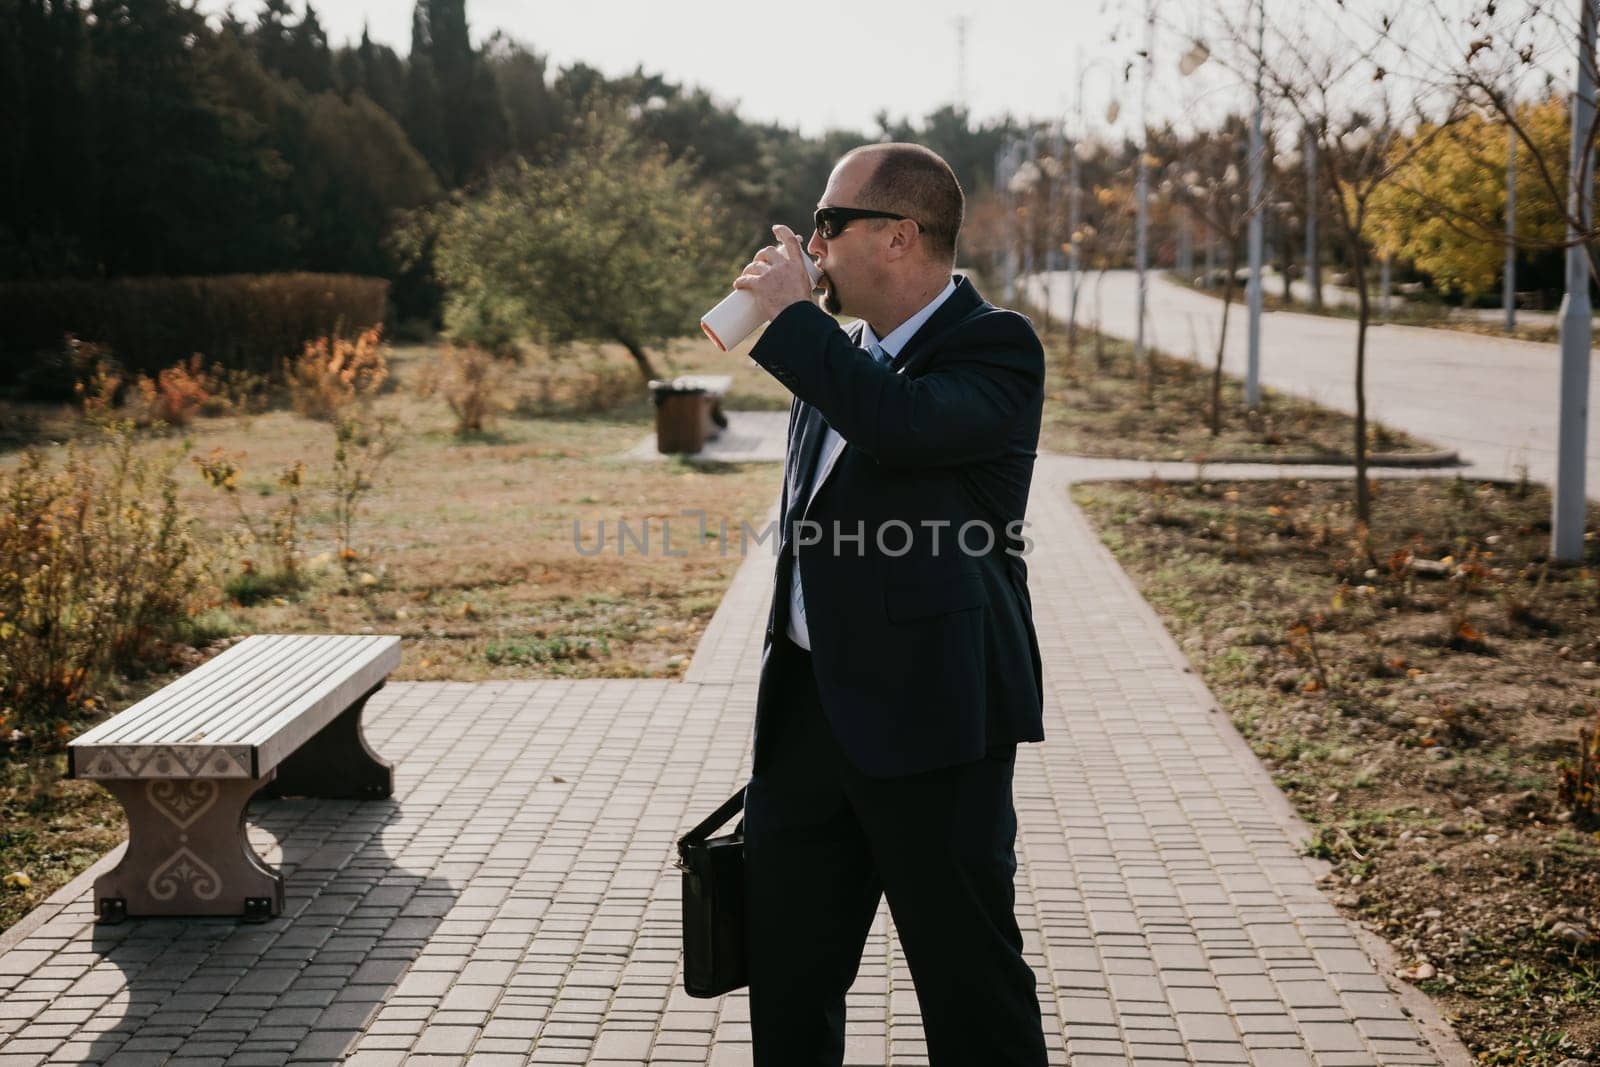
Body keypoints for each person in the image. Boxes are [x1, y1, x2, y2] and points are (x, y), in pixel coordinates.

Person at [729, 142, 1049, 1066]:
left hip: (935, 723)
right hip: (806, 718)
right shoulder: (845, 351)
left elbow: (898, 427)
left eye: (828, 223)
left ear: (900, 235)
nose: (812, 241)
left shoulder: (995, 349)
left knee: (969, 985)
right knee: (788, 978)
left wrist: (796, 320)